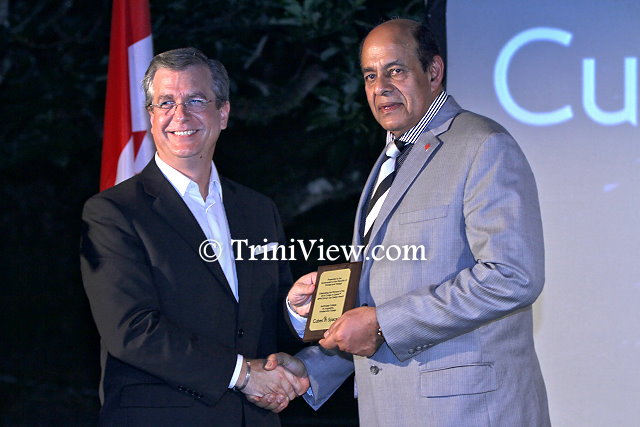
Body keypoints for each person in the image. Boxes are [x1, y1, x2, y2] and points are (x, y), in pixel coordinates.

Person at [264, 18, 551, 426]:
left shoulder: (483, 145)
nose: (380, 87)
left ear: (433, 72)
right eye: (370, 75)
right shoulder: (390, 160)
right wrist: (311, 367)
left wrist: (383, 324)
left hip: (467, 413)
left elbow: (512, 275)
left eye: (395, 70)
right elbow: (379, 298)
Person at [80, 47, 307, 426]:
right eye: (166, 102)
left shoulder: (258, 210)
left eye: (196, 100)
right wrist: (243, 374)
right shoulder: (114, 212)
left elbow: (264, 321)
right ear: (151, 117)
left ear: (223, 113)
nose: (180, 115)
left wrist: (296, 313)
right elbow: (131, 331)